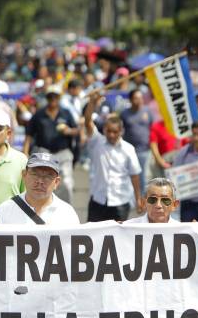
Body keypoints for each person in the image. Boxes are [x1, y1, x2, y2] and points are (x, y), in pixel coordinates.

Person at [83, 93, 142, 222]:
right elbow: (87, 121)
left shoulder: (128, 149)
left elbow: (135, 175)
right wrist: (92, 103)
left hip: (120, 201)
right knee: (94, 237)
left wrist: (138, 198)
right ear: (104, 130)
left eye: (115, 132)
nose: (111, 134)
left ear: (121, 131)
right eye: (108, 131)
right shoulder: (97, 142)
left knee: (117, 240)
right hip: (98, 200)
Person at [24, 85, 79, 203]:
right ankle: (41, 208)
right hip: (44, 153)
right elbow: (29, 134)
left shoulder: (66, 113)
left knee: (67, 184)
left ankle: (66, 211)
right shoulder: (39, 114)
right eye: (50, 96)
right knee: (42, 183)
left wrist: (68, 131)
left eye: (55, 97)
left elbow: (76, 130)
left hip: (63, 153)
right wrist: (25, 153)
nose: (53, 99)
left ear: (59, 98)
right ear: (47, 98)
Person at [0, 152, 79, 224]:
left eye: (48, 176)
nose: (40, 181)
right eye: (35, 174)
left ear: (56, 182)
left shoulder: (67, 214)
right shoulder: (4, 210)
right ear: (24, 175)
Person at [120, 89, 154, 193]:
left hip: (144, 150)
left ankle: (142, 202)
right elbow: (120, 130)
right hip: (129, 151)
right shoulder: (124, 113)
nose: (139, 100)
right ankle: (130, 199)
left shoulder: (147, 111)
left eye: (140, 98)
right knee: (129, 176)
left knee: (142, 177)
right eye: (136, 98)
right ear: (130, 100)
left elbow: (152, 127)